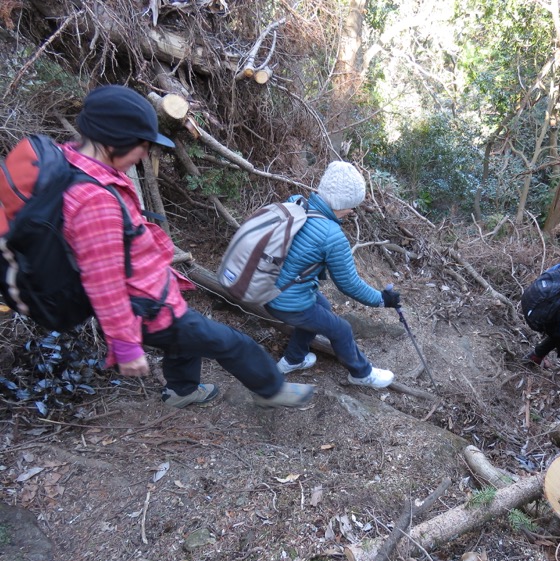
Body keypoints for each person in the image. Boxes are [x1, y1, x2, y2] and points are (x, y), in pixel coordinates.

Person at [62, 84, 313, 409]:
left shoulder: (82, 167)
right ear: (114, 141)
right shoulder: (95, 201)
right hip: (145, 308)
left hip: (150, 298)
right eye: (142, 145)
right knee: (233, 343)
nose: (145, 153)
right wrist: (125, 345)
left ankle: (182, 390)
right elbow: (104, 281)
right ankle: (271, 390)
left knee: (183, 338)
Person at [265, 161, 400, 388]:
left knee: (323, 307)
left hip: (265, 284)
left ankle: (293, 360)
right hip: (286, 301)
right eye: (351, 205)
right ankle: (361, 374)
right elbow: (349, 284)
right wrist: (381, 300)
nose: (352, 211)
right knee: (341, 329)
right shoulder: (332, 236)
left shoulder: (296, 203)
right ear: (341, 203)